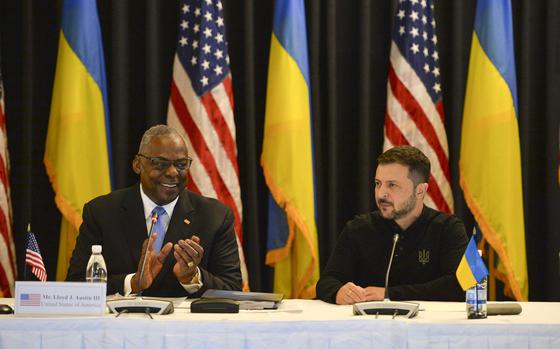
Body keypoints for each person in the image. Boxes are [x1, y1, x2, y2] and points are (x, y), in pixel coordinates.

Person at [66, 125, 242, 297]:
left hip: (185, 326)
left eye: (181, 164)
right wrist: (133, 283)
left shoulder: (215, 216)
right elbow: (76, 285)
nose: (173, 172)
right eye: (160, 163)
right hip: (122, 325)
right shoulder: (102, 212)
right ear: (137, 165)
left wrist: (192, 277)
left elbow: (232, 290)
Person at [316, 145, 468, 304]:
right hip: (369, 326)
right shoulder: (358, 228)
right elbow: (327, 281)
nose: (381, 194)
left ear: (420, 191)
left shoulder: (448, 228)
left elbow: (461, 286)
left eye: (392, 185)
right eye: (378, 183)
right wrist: (339, 292)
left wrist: (389, 294)